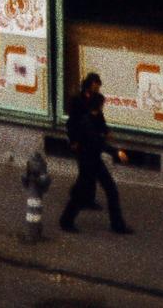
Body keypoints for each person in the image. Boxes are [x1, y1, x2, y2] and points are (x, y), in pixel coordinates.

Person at [59, 72, 133, 235]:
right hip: (88, 158)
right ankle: (66, 220)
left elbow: (100, 127)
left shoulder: (93, 117)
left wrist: (106, 132)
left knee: (101, 189)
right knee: (86, 191)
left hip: (92, 158)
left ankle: (115, 224)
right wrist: (116, 152)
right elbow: (91, 138)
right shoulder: (85, 119)